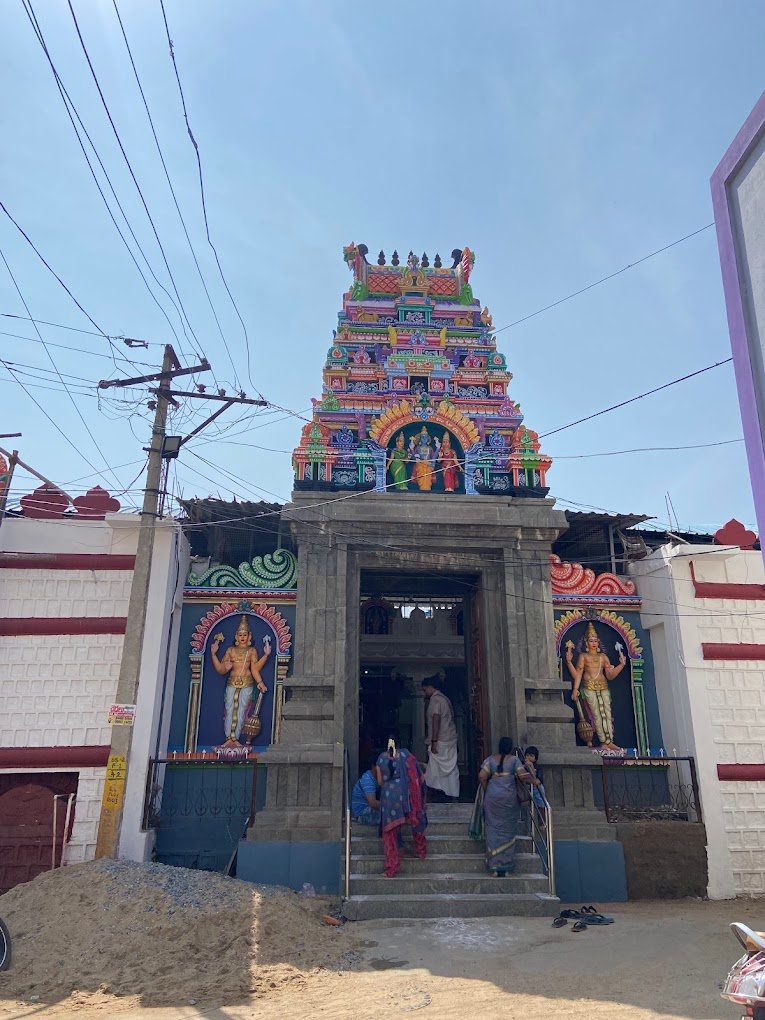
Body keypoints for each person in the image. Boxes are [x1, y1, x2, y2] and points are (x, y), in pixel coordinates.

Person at [478, 736, 537, 876]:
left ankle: (494, 866)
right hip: (508, 799)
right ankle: (506, 867)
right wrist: (535, 781)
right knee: (508, 830)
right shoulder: (514, 760)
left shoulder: (490, 760)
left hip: (492, 798)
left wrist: (488, 789)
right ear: (510, 748)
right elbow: (522, 776)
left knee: (492, 829)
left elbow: (481, 776)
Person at [210, 616, 271, 747]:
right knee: (230, 709)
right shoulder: (230, 650)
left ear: (249, 636)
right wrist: (213, 654)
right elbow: (221, 669)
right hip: (232, 682)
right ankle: (229, 738)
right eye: (240, 635)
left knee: (242, 710)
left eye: (245, 635)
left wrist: (265, 657)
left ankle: (236, 738)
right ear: (236, 636)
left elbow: (255, 669)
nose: (242, 637)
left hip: (247, 683)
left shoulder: (252, 650)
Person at [565, 621, 626, 751]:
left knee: (607, 714)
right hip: (589, 687)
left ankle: (610, 741)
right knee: (596, 715)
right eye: (591, 641)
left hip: (603, 687)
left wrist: (621, 665)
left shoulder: (603, 657)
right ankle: (603, 742)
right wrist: (569, 663)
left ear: (598, 642)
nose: (593, 643)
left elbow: (610, 675)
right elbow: (578, 675)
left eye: (595, 641)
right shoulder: (583, 656)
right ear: (586, 643)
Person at [374, 739, 428, 877]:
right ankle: (420, 851)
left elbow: (379, 782)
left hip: (388, 797)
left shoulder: (381, 758)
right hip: (406, 796)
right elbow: (418, 776)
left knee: (390, 834)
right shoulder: (406, 756)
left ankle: (392, 867)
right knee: (415, 819)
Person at [421, 676, 460, 801]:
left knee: (433, 770)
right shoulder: (445, 699)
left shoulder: (436, 700)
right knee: (451, 769)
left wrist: (434, 742)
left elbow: (436, 720)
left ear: (430, 687)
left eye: (424, 690)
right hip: (449, 739)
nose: (424, 693)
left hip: (440, 741)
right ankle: (453, 795)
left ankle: (430, 797)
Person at [350, 758, 381, 826]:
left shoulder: (377, 779)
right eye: (380, 767)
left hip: (369, 811)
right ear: (373, 767)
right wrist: (389, 806)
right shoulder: (367, 779)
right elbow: (373, 803)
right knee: (390, 816)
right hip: (362, 814)